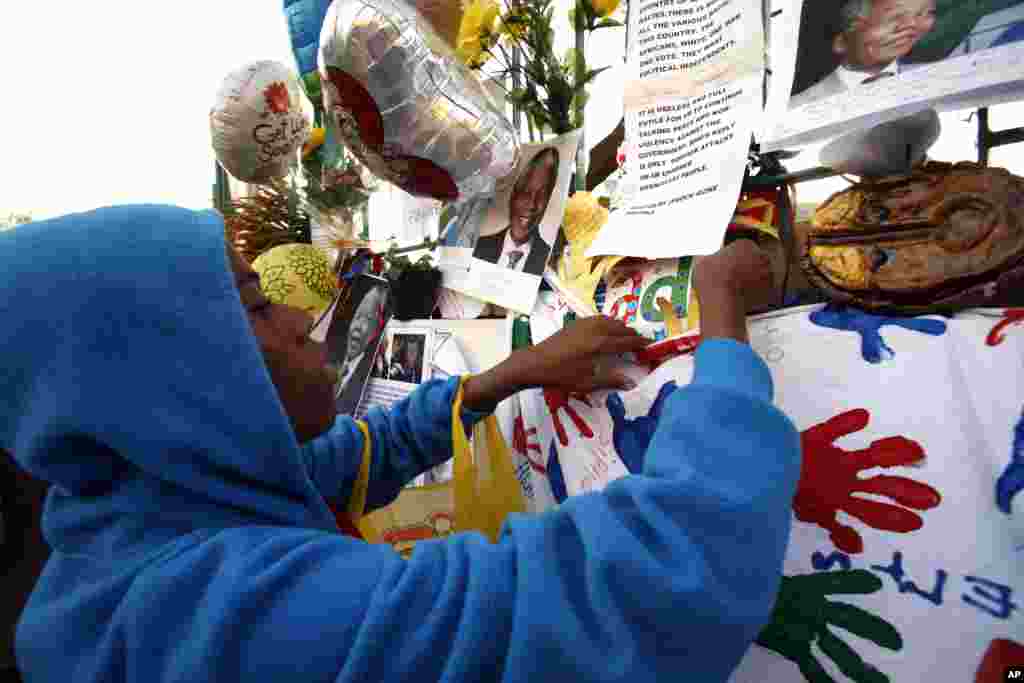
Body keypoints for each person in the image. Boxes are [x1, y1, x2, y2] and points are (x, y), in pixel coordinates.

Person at [1, 205, 800, 683]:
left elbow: (341, 463)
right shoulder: (228, 624)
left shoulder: (149, 501)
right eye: (251, 308)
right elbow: (654, 585)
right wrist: (722, 321)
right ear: (174, 387)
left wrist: (509, 373)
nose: (298, 320)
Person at [790, 0, 937, 108]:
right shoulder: (798, 107)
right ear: (841, 41)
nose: (909, 26)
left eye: (923, 14)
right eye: (891, 18)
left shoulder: (936, 82)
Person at [473, 147, 558, 275]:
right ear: (513, 195)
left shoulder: (550, 261)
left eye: (542, 195)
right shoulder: (479, 247)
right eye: (526, 192)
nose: (532, 204)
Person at [330, 283, 387, 399]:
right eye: (358, 315)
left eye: (367, 318)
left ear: (376, 330)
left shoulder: (371, 377)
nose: (358, 326)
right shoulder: (327, 356)